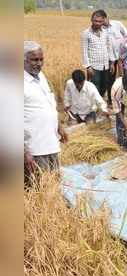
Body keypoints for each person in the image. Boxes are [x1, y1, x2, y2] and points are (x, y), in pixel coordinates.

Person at [24, 41, 68, 180]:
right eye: (34, 60)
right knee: (38, 188)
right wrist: (24, 152)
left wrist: (59, 127)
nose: (39, 63)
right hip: (34, 148)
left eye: (41, 59)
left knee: (54, 183)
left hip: (51, 143)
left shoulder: (41, 76)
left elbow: (49, 105)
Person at [81, 10, 116, 105]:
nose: (97, 23)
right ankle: (93, 109)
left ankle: (99, 106)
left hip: (105, 65)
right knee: (94, 87)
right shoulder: (86, 33)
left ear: (103, 21)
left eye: (100, 21)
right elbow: (84, 51)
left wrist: (112, 63)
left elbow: (109, 48)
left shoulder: (105, 32)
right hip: (94, 66)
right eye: (95, 21)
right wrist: (88, 67)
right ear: (91, 20)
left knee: (104, 86)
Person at [103, 14, 127, 96]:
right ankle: (111, 98)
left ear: (107, 17)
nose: (102, 22)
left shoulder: (117, 24)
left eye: (103, 20)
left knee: (125, 77)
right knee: (110, 78)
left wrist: (123, 45)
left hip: (122, 56)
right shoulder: (101, 29)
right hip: (110, 57)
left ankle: (126, 96)